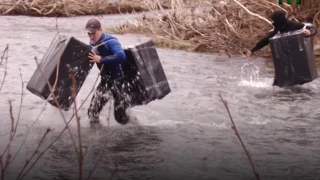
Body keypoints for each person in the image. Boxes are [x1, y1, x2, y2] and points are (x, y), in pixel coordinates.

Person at [247, 10, 317, 86]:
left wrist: (310, 32)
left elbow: (312, 28)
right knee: (277, 84)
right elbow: (264, 41)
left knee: (295, 81)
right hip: (283, 60)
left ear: (278, 21)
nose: (272, 22)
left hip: (296, 57)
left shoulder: (295, 26)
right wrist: (252, 50)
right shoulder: (276, 31)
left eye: (273, 20)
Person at [85, 18, 132, 126]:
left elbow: (121, 55)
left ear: (100, 30)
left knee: (120, 118)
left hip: (118, 82)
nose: (91, 37)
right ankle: (99, 138)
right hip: (105, 81)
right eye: (89, 34)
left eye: (93, 34)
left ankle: (138, 128)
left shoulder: (111, 41)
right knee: (92, 112)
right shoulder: (92, 42)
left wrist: (101, 59)